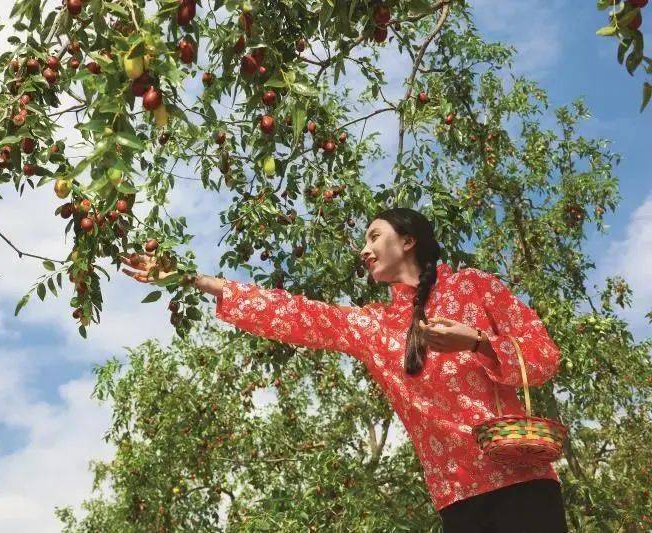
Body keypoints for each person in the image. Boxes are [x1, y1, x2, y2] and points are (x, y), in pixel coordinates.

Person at [120, 207, 568, 532]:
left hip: (522, 485)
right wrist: (188, 278)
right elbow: (295, 313)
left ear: (407, 240)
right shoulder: (373, 325)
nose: (365, 249)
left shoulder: (474, 287)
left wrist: (477, 343)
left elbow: (543, 358)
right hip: (456, 501)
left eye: (374, 236)